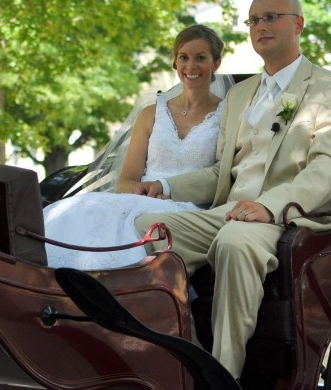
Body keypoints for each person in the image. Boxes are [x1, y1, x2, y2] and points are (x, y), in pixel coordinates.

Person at [135, 0, 331, 380]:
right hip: (228, 210)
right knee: (150, 227)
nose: (261, 27)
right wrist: (166, 187)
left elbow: (326, 168)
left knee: (235, 241)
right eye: (254, 20)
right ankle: (187, 359)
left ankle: (226, 379)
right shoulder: (239, 95)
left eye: (271, 17)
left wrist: (269, 206)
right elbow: (222, 171)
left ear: (298, 24)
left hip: (285, 218)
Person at [44, 25, 228, 269]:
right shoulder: (152, 112)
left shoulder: (228, 114)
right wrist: (145, 191)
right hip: (140, 198)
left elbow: (222, 177)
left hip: (189, 208)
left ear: (216, 63)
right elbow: (126, 182)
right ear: (175, 63)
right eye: (183, 57)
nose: (190, 67)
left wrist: (170, 192)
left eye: (201, 58)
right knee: (78, 210)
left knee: (134, 226)